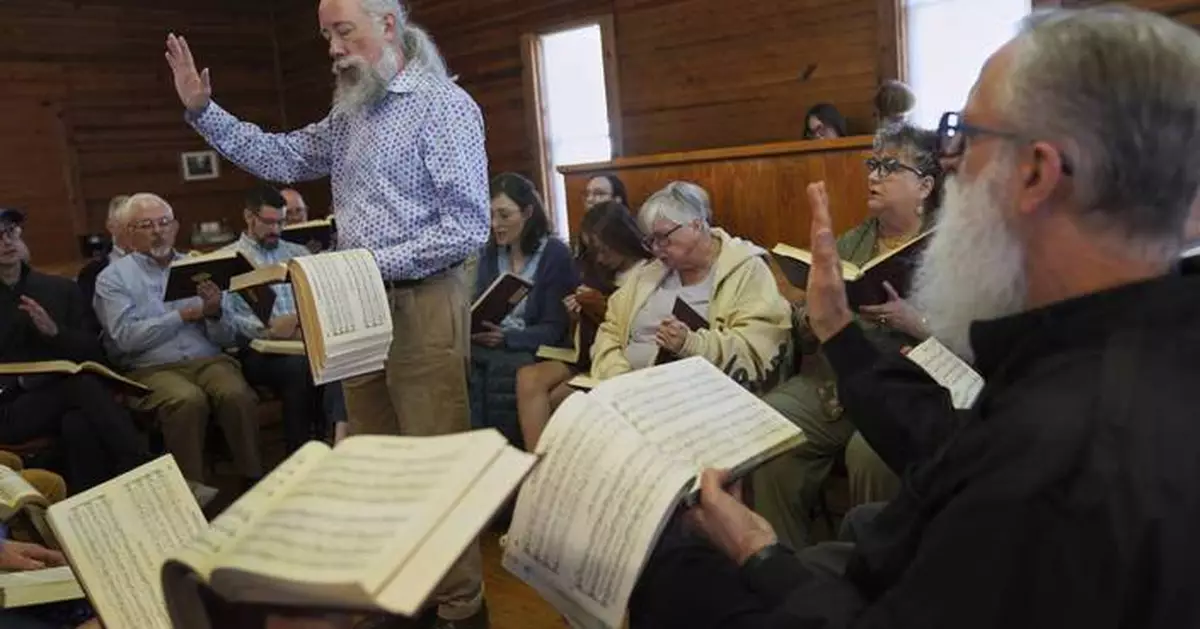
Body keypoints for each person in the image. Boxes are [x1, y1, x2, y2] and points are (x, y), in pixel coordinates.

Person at [630, 6, 1200, 627]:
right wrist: (837, 330)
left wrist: (756, 552)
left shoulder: (1069, 453)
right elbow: (951, 446)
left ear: (1036, 173)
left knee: (673, 579)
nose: (951, 162)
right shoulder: (1110, 343)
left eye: (966, 136)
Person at [164, 0, 490, 624]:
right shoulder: (351, 112)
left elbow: (466, 227)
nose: (334, 49)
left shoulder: (443, 106)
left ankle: (459, 609)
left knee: (432, 466)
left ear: (388, 25)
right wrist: (204, 111)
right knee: (372, 464)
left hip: (422, 299)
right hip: (358, 303)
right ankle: (397, 595)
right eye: (326, 36)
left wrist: (364, 263)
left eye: (344, 32)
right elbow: (282, 158)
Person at [752, 122, 943, 549]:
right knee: (769, 425)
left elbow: (968, 337)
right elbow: (809, 321)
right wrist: (810, 315)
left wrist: (914, 321)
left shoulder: (949, 245)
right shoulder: (851, 243)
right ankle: (786, 565)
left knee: (871, 453)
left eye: (889, 167)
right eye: (872, 165)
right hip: (835, 381)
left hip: (910, 383)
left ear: (925, 186)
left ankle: (875, 569)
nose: (874, 176)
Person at [93, 193, 262, 487]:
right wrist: (182, 316)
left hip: (208, 360)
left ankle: (254, 478)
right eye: (147, 225)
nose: (158, 231)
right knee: (186, 400)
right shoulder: (113, 278)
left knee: (235, 393)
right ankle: (191, 491)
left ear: (175, 227)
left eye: (164, 223)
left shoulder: (200, 266)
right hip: (150, 367)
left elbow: (227, 338)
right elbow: (125, 339)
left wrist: (214, 313)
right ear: (130, 233)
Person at [591, 181, 792, 391]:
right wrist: (618, 376)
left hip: (698, 393)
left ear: (696, 225)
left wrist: (690, 344)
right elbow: (610, 330)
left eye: (663, 238)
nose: (656, 249)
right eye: (650, 241)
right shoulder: (651, 272)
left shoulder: (745, 269)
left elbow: (759, 347)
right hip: (626, 390)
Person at [0, 209, 148, 492]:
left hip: (60, 395)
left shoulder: (58, 289)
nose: (7, 242)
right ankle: (143, 469)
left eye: (10, 232)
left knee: (78, 424)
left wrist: (55, 333)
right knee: (82, 387)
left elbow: (92, 349)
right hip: (8, 405)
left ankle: (94, 503)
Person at [515, 200, 653, 449]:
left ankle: (553, 460)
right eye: (594, 251)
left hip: (617, 358)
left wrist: (602, 307)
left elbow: (636, 327)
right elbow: (584, 332)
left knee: (559, 399)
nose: (600, 258)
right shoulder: (597, 270)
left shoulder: (650, 272)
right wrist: (578, 314)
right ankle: (536, 464)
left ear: (621, 238)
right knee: (528, 377)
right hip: (586, 352)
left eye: (604, 250)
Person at [468, 173, 576, 447]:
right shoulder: (490, 253)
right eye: (491, 216)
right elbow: (483, 303)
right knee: (462, 364)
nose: (495, 224)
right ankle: (480, 450)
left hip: (536, 345)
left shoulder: (554, 254)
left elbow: (555, 328)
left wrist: (507, 338)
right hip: (490, 341)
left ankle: (512, 451)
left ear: (528, 212)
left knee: (503, 369)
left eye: (504, 215)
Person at [222, 185, 327, 452]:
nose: (276, 230)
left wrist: (299, 321)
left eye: (281, 222)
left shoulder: (298, 253)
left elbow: (320, 300)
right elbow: (228, 320)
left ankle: (332, 441)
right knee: (298, 368)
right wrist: (267, 329)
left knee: (334, 361)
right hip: (258, 349)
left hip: (302, 338)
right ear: (249, 217)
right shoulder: (228, 259)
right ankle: (300, 453)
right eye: (269, 223)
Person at [77, 195, 132, 335]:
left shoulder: (162, 263)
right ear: (111, 226)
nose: (133, 231)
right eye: (128, 224)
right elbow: (90, 323)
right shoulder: (93, 272)